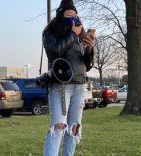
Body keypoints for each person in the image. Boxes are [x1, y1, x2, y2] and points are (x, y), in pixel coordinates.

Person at [42, 0, 95, 156]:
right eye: (69, 14)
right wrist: (73, 34)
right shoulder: (50, 31)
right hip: (60, 85)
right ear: (60, 15)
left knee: (74, 128)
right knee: (58, 127)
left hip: (79, 85)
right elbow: (56, 50)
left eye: (75, 15)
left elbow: (88, 64)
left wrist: (89, 48)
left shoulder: (80, 35)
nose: (73, 17)